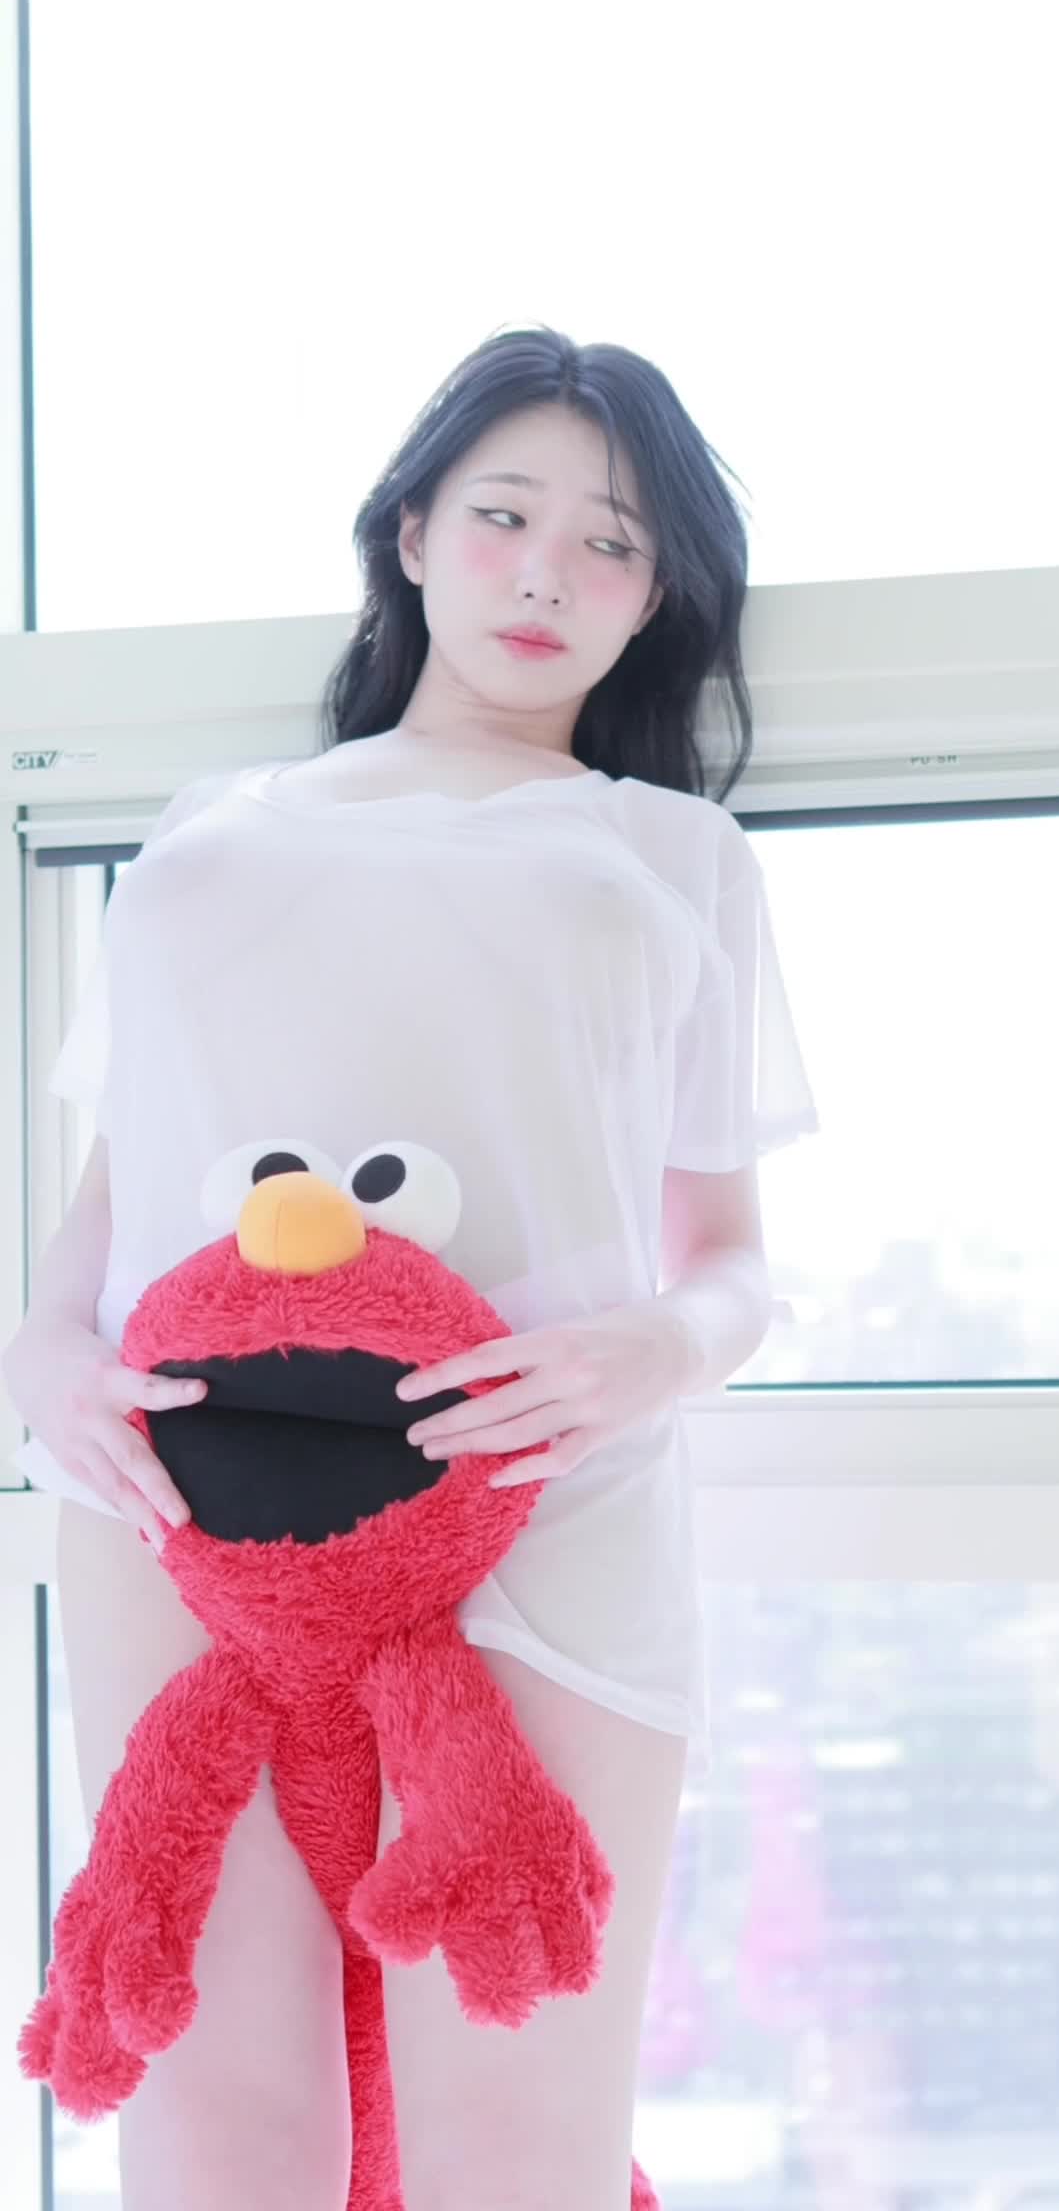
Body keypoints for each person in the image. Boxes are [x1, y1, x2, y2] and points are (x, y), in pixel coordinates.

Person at [3, 325, 820, 2211]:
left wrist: (648, 1353)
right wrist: (40, 1354)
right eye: (505, 515)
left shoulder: (676, 854)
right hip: (170, 1490)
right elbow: (120, 1187)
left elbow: (733, 1265)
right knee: (215, 2121)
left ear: (657, 598)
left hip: (544, 1491)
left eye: (610, 543)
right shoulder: (214, 825)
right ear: (413, 535)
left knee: (519, 2130)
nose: (547, 574)